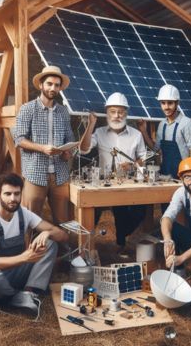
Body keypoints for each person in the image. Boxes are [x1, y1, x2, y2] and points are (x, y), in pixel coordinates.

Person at [0, 173, 69, 312]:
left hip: (15, 268)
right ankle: (18, 296)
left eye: (17, 194)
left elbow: (63, 235)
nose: (13, 199)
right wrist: (25, 257)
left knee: (50, 244)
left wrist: (48, 233)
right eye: (8, 194)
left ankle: (30, 291)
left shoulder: (23, 213)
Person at [79, 92, 148, 257]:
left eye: (120, 112)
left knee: (135, 212)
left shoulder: (136, 135)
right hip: (101, 182)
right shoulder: (100, 132)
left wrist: (132, 165)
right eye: (112, 111)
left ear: (126, 113)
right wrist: (90, 125)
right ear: (107, 113)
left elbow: (143, 159)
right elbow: (83, 148)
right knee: (91, 214)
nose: (117, 116)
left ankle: (121, 241)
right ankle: (86, 248)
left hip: (125, 182)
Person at [13, 66, 76, 225]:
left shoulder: (63, 112)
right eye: (49, 84)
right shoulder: (27, 109)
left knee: (63, 221)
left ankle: (63, 249)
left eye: (56, 85)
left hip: (60, 175)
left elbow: (70, 139)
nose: (52, 88)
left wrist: (68, 152)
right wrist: (43, 148)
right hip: (35, 174)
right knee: (30, 220)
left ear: (60, 88)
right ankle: (28, 249)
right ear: (41, 85)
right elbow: (19, 139)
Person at [137, 84, 191, 178]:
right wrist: (143, 131)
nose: (166, 107)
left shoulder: (187, 123)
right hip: (164, 175)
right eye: (163, 103)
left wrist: (187, 174)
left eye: (170, 103)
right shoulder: (162, 125)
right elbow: (155, 149)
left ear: (177, 103)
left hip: (182, 175)